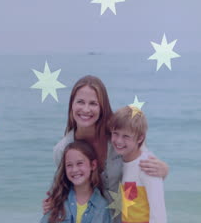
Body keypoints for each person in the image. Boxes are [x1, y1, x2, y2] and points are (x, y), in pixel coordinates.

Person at [43, 75, 168, 222]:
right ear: (71, 105)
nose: (86, 109)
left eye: (93, 103)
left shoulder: (119, 137)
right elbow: (67, 187)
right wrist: (53, 203)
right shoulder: (62, 150)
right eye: (80, 102)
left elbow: (143, 165)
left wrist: (164, 170)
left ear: (102, 107)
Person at [109, 106, 166, 223]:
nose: (119, 141)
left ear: (140, 138)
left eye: (126, 136)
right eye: (115, 133)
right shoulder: (119, 161)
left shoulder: (148, 166)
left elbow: (158, 214)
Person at [40, 141, 111, 223]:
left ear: (93, 165)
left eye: (80, 163)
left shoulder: (101, 206)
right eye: (69, 165)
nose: (74, 170)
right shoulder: (57, 201)